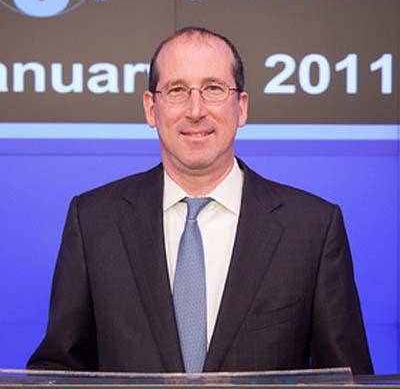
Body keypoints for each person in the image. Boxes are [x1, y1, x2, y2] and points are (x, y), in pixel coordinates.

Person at [27, 27, 373, 374]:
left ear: (241, 107)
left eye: (213, 89)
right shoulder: (94, 222)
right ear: (151, 108)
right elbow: (58, 370)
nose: (195, 110)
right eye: (177, 90)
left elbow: (348, 377)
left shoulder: (312, 229)